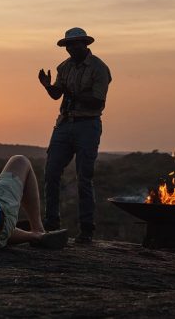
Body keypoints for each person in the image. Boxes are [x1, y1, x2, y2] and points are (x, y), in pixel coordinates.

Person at [38, 27, 112, 243]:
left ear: (85, 44)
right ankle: (52, 225)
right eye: (68, 45)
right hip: (64, 124)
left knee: (84, 178)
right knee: (51, 174)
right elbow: (57, 95)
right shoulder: (64, 67)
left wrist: (73, 94)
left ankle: (86, 230)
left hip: (87, 125)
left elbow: (98, 101)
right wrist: (47, 86)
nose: (71, 48)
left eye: (75, 44)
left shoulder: (99, 68)